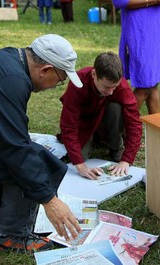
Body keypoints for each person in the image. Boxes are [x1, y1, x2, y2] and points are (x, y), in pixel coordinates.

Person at [0, 34, 84, 251]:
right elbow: (15, 147)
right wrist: (50, 200)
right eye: (60, 80)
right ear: (46, 69)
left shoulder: (9, 60)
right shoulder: (11, 79)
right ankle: (11, 236)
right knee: (35, 158)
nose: (55, 86)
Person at [59, 51, 142, 180]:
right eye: (106, 87)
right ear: (93, 74)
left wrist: (126, 160)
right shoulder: (78, 81)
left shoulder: (122, 87)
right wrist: (80, 166)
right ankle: (94, 140)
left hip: (106, 120)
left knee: (116, 107)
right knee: (78, 157)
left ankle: (115, 147)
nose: (110, 92)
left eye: (114, 87)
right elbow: (68, 125)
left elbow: (134, 123)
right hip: (84, 122)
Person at [112, 0, 160, 114]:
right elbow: (119, 1)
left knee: (153, 83)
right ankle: (120, 128)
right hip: (140, 29)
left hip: (157, 25)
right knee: (145, 84)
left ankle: (155, 129)